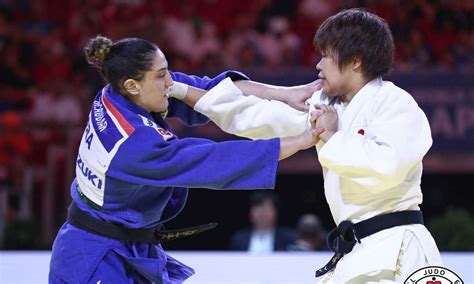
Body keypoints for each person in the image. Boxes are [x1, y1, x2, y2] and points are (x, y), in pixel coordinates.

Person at [184, 8, 442, 283]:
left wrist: (332, 136)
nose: (318, 65)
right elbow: (257, 117)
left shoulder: (395, 103)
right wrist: (181, 91)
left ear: (355, 61)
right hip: (359, 250)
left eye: (326, 56)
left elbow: (388, 168)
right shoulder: (326, 106)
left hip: (400, 250)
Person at [48, 35, 324, 283]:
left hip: (121, 241)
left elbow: (212, 92)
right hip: (95, 256)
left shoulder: (118, 93)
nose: (170, 82)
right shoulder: (133, 145)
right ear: (132, 85)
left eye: (167, 71)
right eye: (161, 76)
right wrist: (301, 141)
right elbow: (215, 161)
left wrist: (286, 93)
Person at [229, 191, 295, 252]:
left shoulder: (288, 237)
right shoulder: (239, 239)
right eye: (258, 209)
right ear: (250, 213)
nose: (262, 214)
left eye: (267, 209)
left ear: (276, 212)